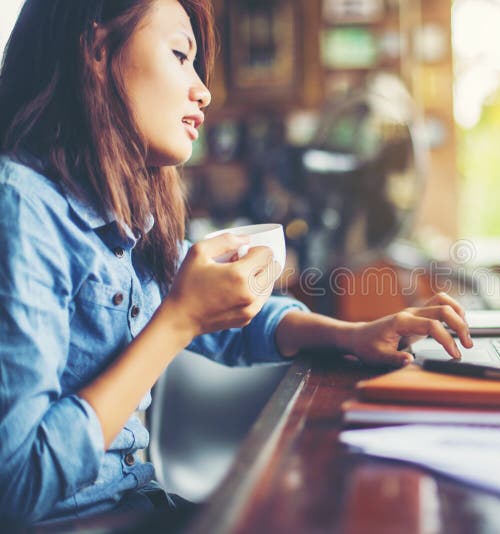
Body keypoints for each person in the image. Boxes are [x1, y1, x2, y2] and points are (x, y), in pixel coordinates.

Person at [0, 0, 473, 527]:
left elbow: (243, 320)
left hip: (139, 505)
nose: (203, 90)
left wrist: (352, 335)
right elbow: (16, 485)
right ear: (96, 49)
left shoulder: (126, 220)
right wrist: (178, 321)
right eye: (180, 55)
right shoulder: (20, 208)